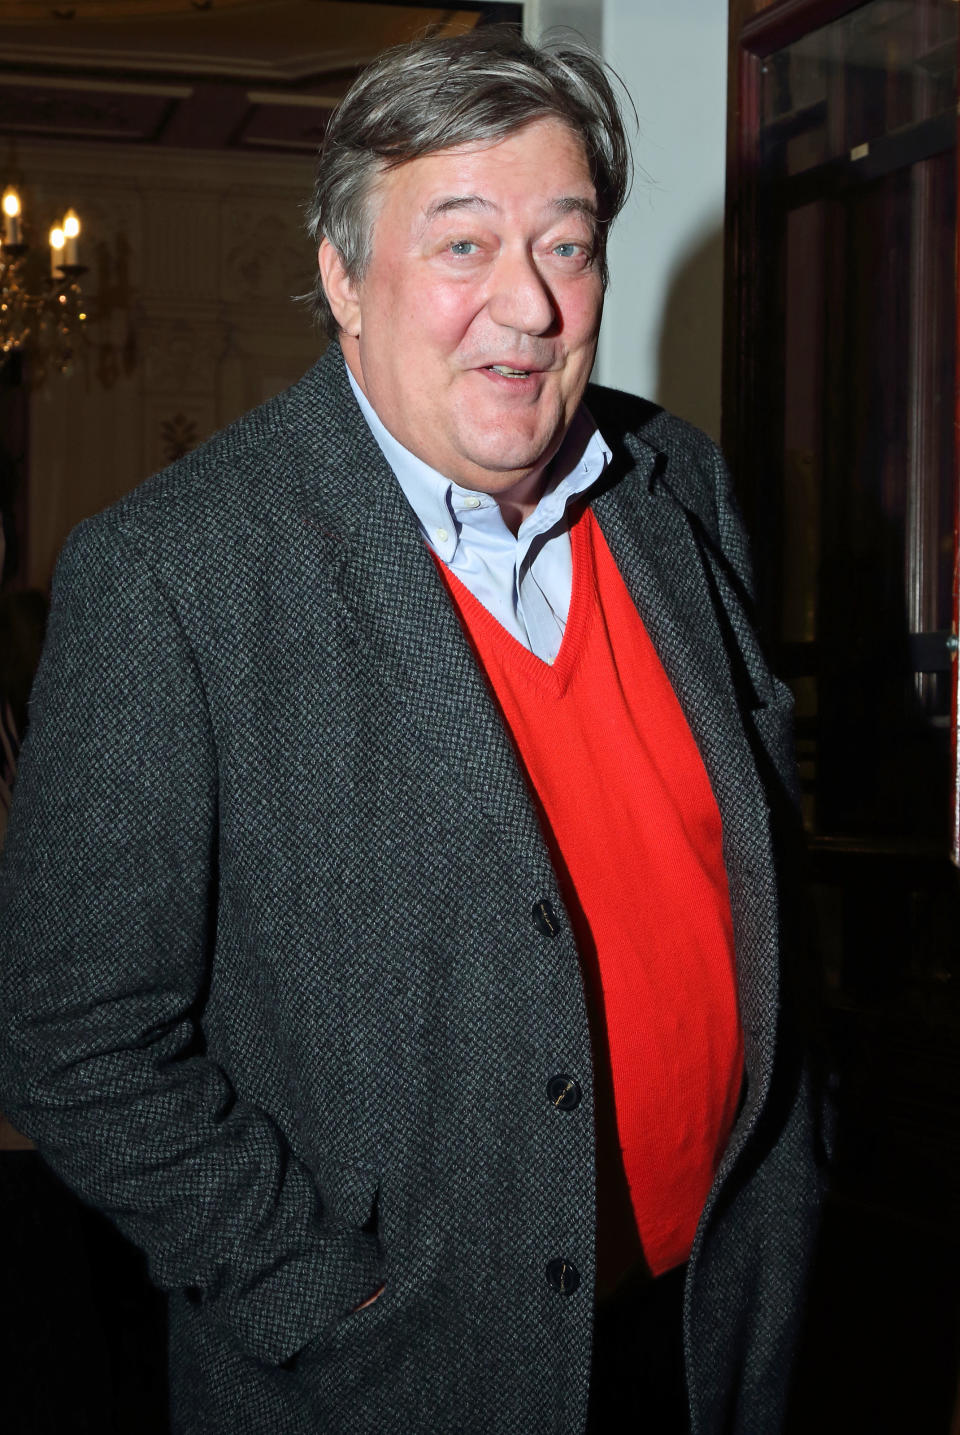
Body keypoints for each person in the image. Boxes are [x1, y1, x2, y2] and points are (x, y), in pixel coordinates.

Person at [0, 26, 827, 1435]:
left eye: (566, 247)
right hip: (396, 1377)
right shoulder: (173, 578)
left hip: (713, 1326)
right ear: (342, 278)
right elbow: (72, 1037)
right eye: (462, 247)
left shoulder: (679, 487)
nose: (527, 307)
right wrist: (312, 1292)